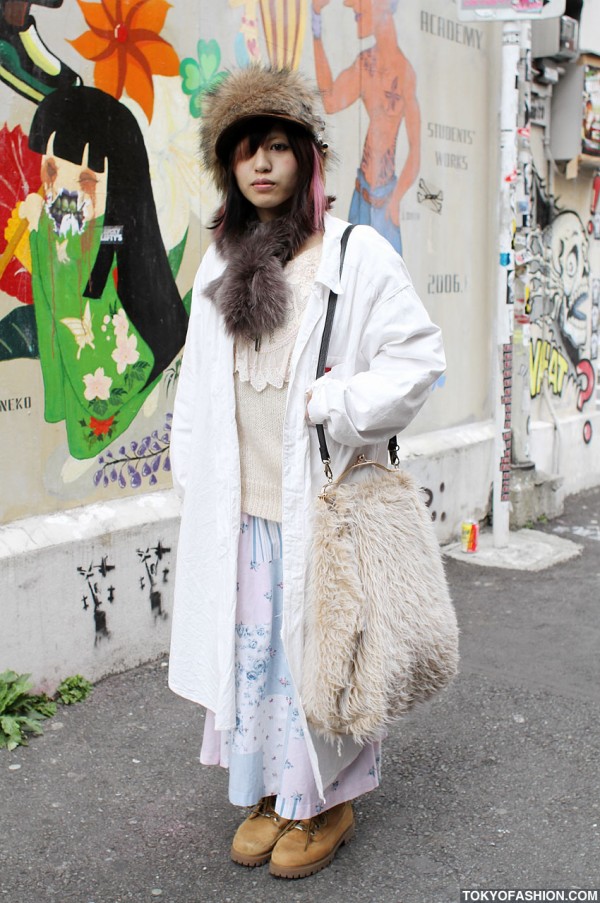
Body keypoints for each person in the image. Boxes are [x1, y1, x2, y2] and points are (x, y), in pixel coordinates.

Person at [168, 64, 445, 880]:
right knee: (258, 658)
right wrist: (195, 480)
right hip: (245, 514)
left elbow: (419, 360)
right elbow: (197, 393)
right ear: (230, 165)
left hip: (321, 510)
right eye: (245, 150)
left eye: (277, 147)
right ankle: (270, 791)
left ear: (307, 158)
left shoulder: (355, 256)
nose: (260, 164)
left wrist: (338, 402)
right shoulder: (219, 270)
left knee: (321, 659)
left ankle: (327, 800)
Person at [18, 86, 189, 457]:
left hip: (107, 325)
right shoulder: (58, 218)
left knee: (100, 370)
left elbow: (93, 274)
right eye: (51, 169)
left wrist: (84, 280)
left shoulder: (113, 228)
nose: (62, 187)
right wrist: (38, 230)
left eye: (85, 181)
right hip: (75, 311)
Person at [312, 0, 420, 254]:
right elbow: (330, 100)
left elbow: (416, 149)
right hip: (361, 194)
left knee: (386, 288)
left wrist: (394, 202)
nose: (352, 10)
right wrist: (316, 23)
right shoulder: (366, 64)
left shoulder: (404, 72)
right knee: (346, 284)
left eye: (360, 6)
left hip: (384, 200)